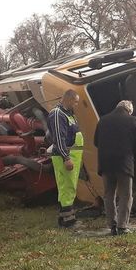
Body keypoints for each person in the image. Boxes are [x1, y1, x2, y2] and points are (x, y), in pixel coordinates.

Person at [94, 100, 136, 235]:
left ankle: (112, 226)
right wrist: (132, 155)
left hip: (105, 163)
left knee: (108, 195)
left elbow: (95, 142)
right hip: (124, 163)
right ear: (129, 110)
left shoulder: (103, 120)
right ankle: (122, 226)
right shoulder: (132, 120)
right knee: (126, 195)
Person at [46, 90, 84, 228]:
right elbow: (59, 138)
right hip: (66, 156)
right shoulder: (57, 114)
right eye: (75, 101)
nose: (76, 104)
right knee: (66, 187)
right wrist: (66, 157)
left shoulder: (68, 114)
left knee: (70, 187)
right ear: (68, 99)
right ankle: (67, 221)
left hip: (73, 156)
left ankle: (68, 217)